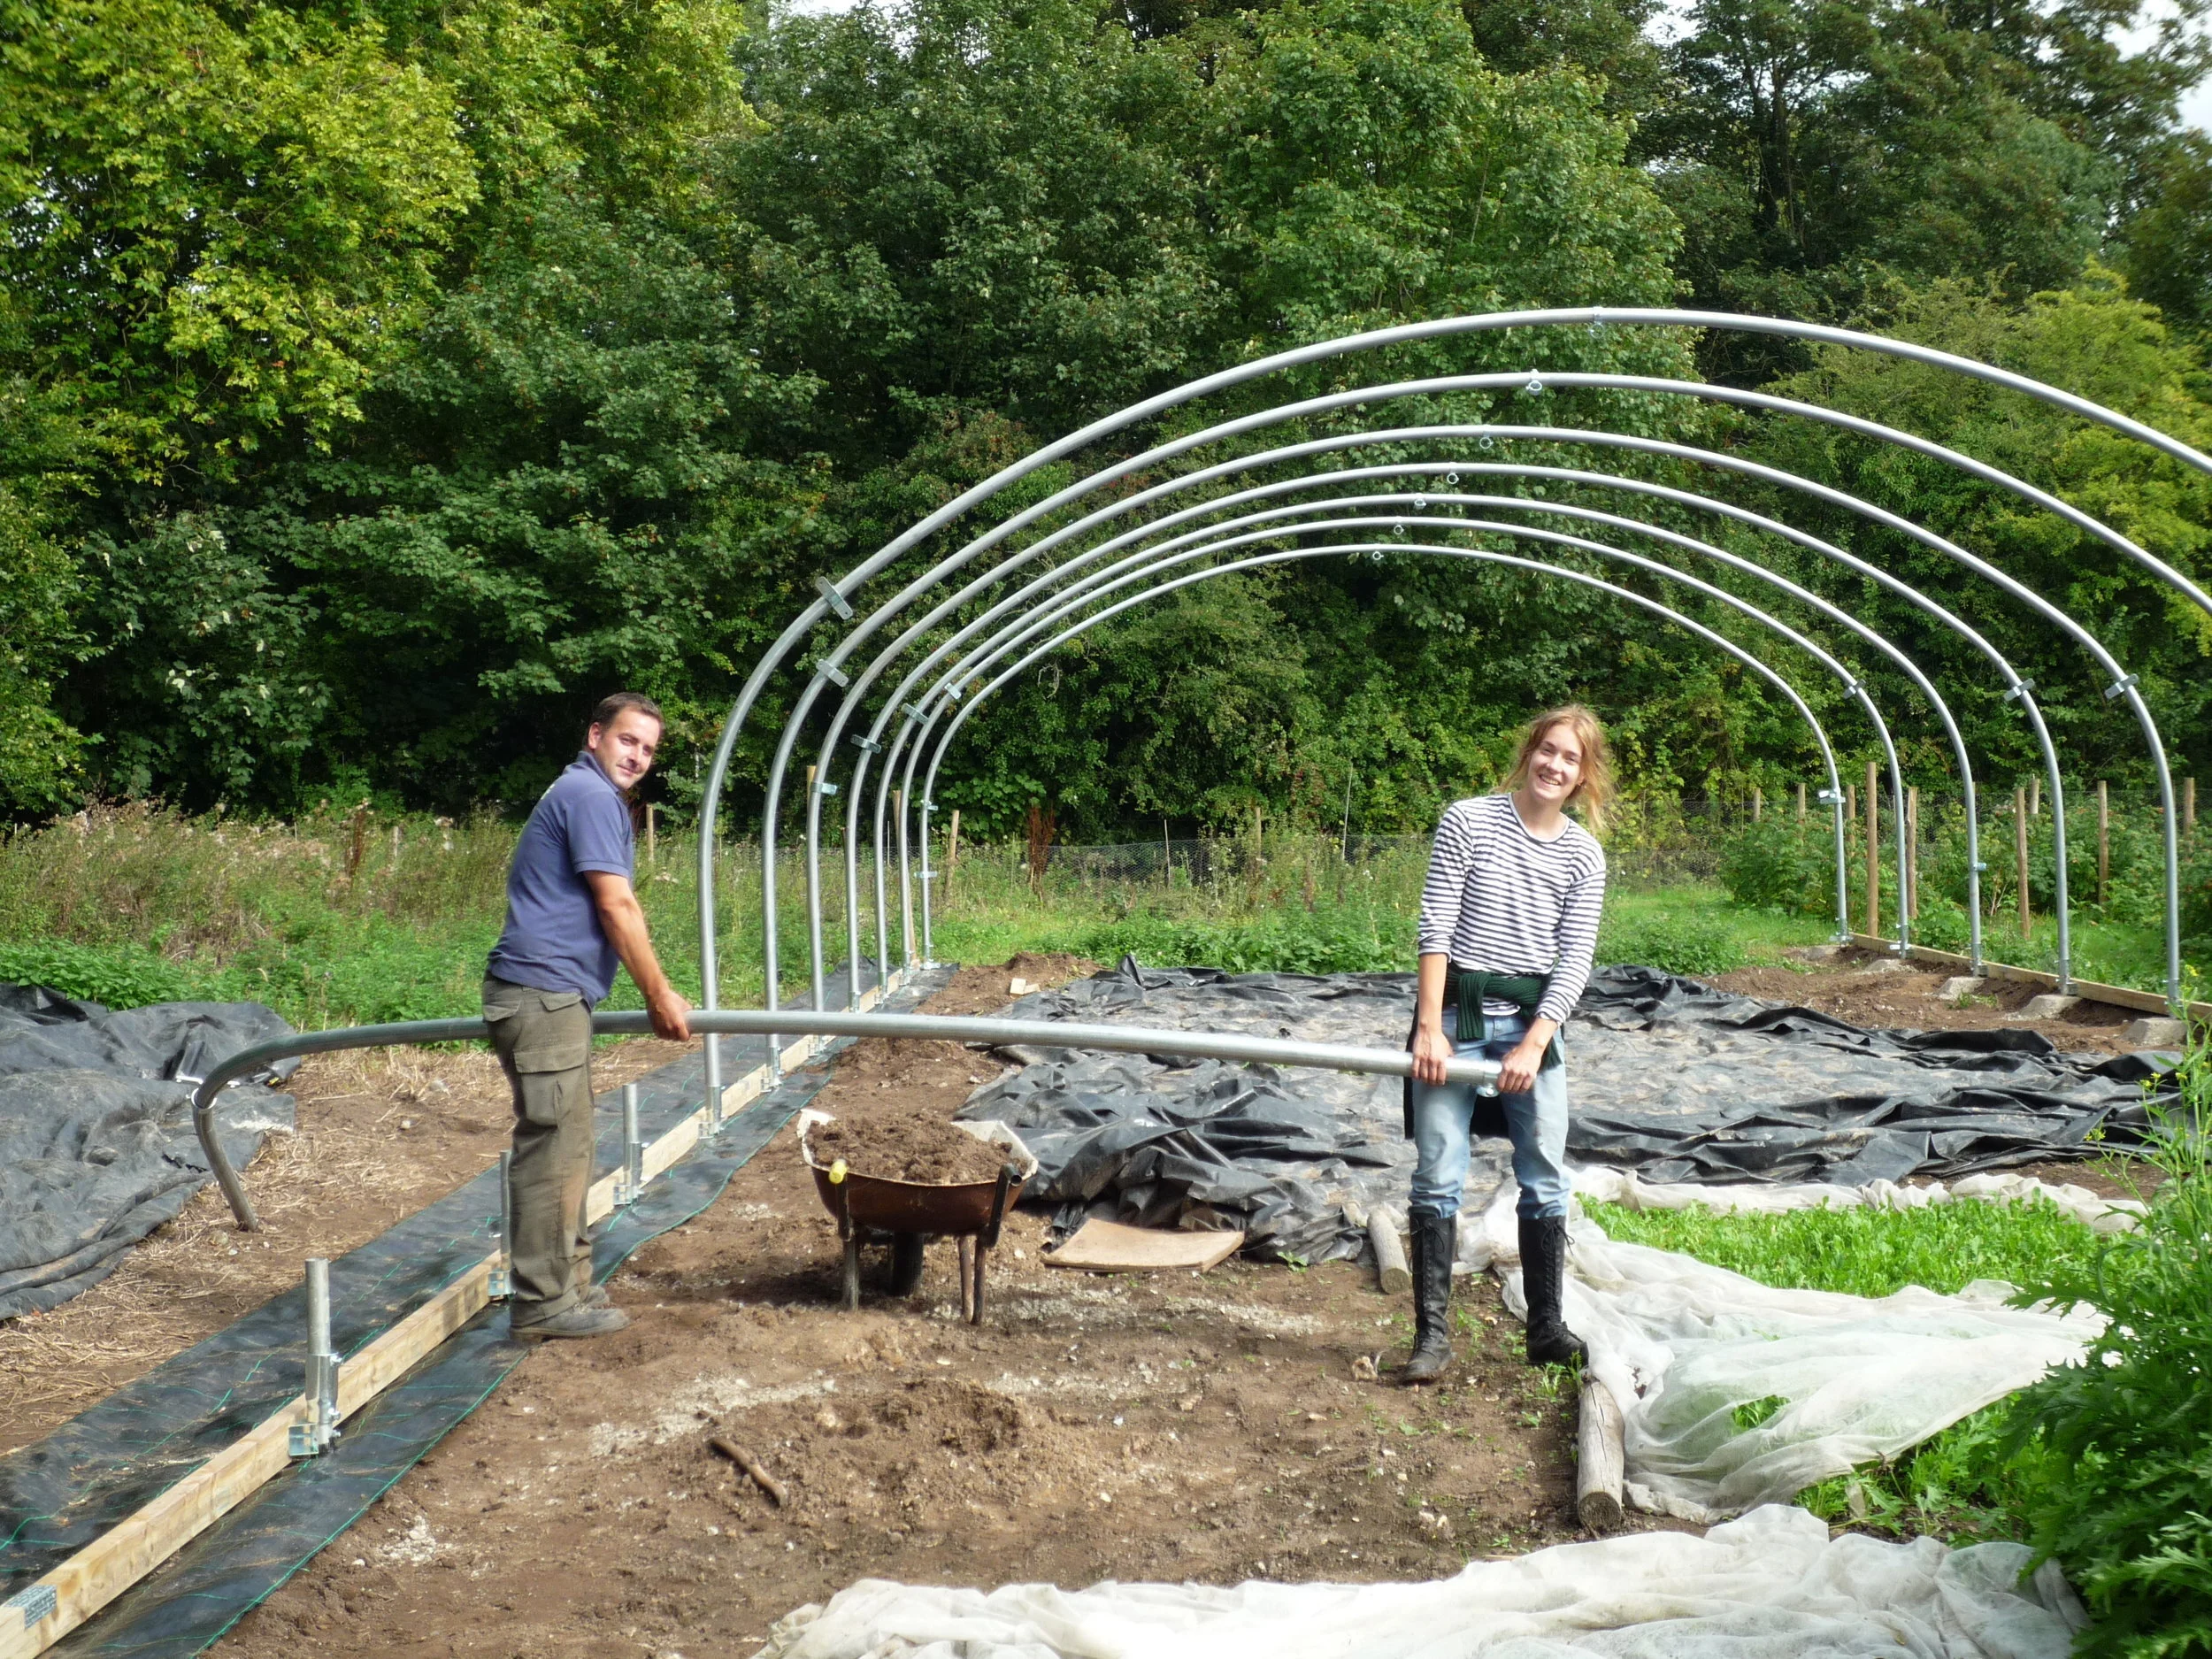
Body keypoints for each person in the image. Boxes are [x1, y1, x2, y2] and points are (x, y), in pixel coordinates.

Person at [1400, 705, 1611, 1382]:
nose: (1555, 764)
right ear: (1529, 753)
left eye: (1570, 758)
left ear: (1583, 776)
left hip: (1531, 1024)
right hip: (1456, 1015)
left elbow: (1574, 960)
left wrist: (1532, 1044)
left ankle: (1546, 1327)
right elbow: (1436, 926)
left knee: (1546, 1171)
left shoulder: (1584, 855)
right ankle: (1431, 1337)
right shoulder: (1468, 820)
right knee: (1438, 1169)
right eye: (1548, 750)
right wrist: (1430, 1028)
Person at [484, 692, 693, 1340]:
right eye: (628, 740)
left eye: (649, 749)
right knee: (552, 1149)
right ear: (596, 734)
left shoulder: (585, 792)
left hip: (551, 994)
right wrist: (660, 994)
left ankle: (568, 1286)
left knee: (571, 1143)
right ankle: (544, 1304)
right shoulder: (593, 796)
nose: (638, 756)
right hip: (542, 992)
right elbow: (617, 907)